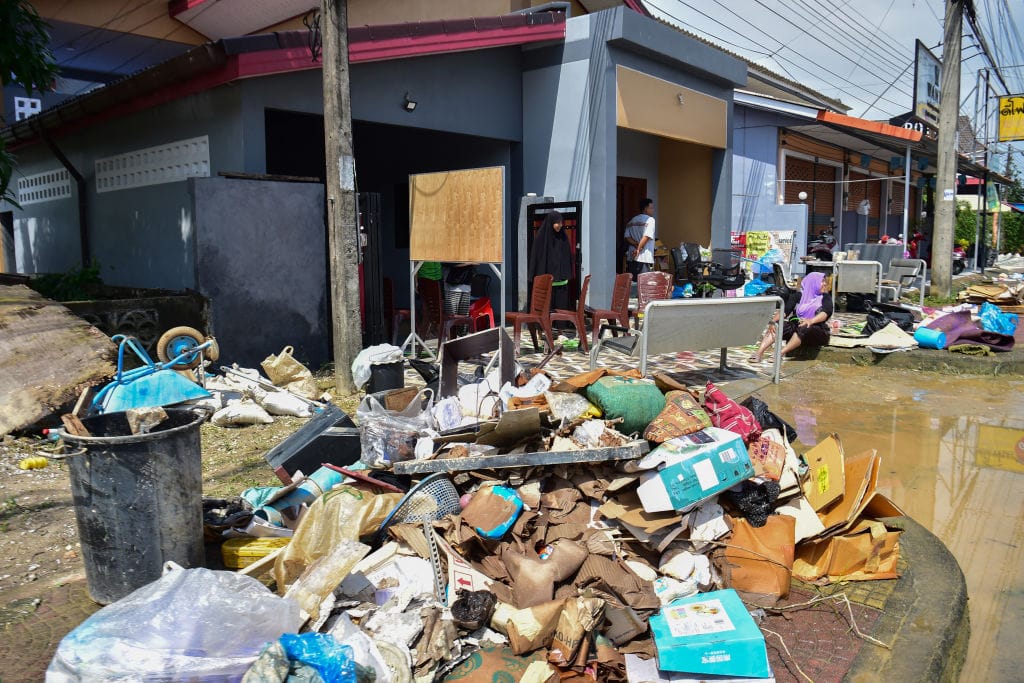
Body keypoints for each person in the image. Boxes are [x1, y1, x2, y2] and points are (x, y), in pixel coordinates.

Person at [750, 271, 833, 363]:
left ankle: (780, 353)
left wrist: (811, 321)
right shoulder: (798, 296)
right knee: (777, 326)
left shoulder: (825, 298)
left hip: (817, 330)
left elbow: (825, 312)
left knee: (804, 327)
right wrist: (773, 322)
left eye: (824, 281)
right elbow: (785, 310)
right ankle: (759, 353)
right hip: (798, 327)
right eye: (822, 281)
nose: (825, 284)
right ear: (812, 283)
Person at [528, 210, 572, 311]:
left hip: (561, 283)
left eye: (561, 222)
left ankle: (560, 326)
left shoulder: (563, 238)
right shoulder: (540, 238)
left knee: (560, 310)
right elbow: (536, 259)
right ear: (551, 222)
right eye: (558, 223)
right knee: (546, 310)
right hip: (546, 285)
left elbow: (567, 257)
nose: (560, 225)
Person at [624, 198, 656, 278]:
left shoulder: (632, 220)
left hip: (632, 257)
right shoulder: (650, 220)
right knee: (647, 281)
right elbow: (646, 236)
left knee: (634, 281)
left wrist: (635, 244)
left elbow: (627, 236)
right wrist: (638, 249)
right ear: (645, 209)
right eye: (651, 208)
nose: (653, 210)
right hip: (646, 258)